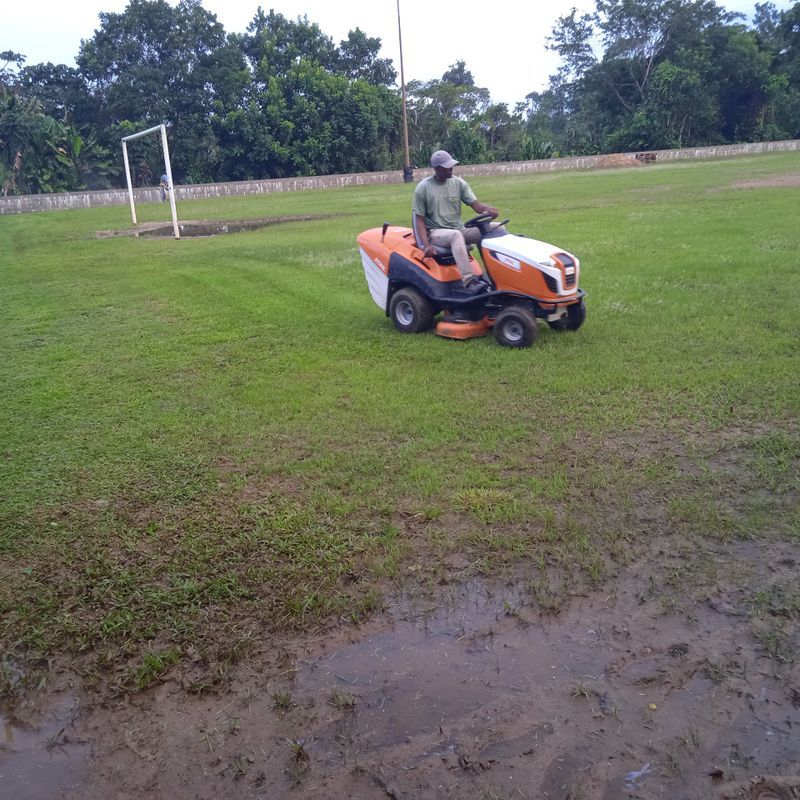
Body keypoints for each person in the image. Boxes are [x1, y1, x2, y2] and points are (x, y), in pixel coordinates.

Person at [412, 150, 504, 291]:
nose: (451, 168)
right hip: (436, 233)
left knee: (497, 228)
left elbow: (477, 206)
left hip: (459, 228)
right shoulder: (423, 188)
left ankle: (502, 273)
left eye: (451, 165)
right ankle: (469, 280)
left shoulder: (459, 183)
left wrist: (488, 210)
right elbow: (419, 220)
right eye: (446, 167)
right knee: (456, 236)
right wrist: (426, 245)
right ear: (437, 169)